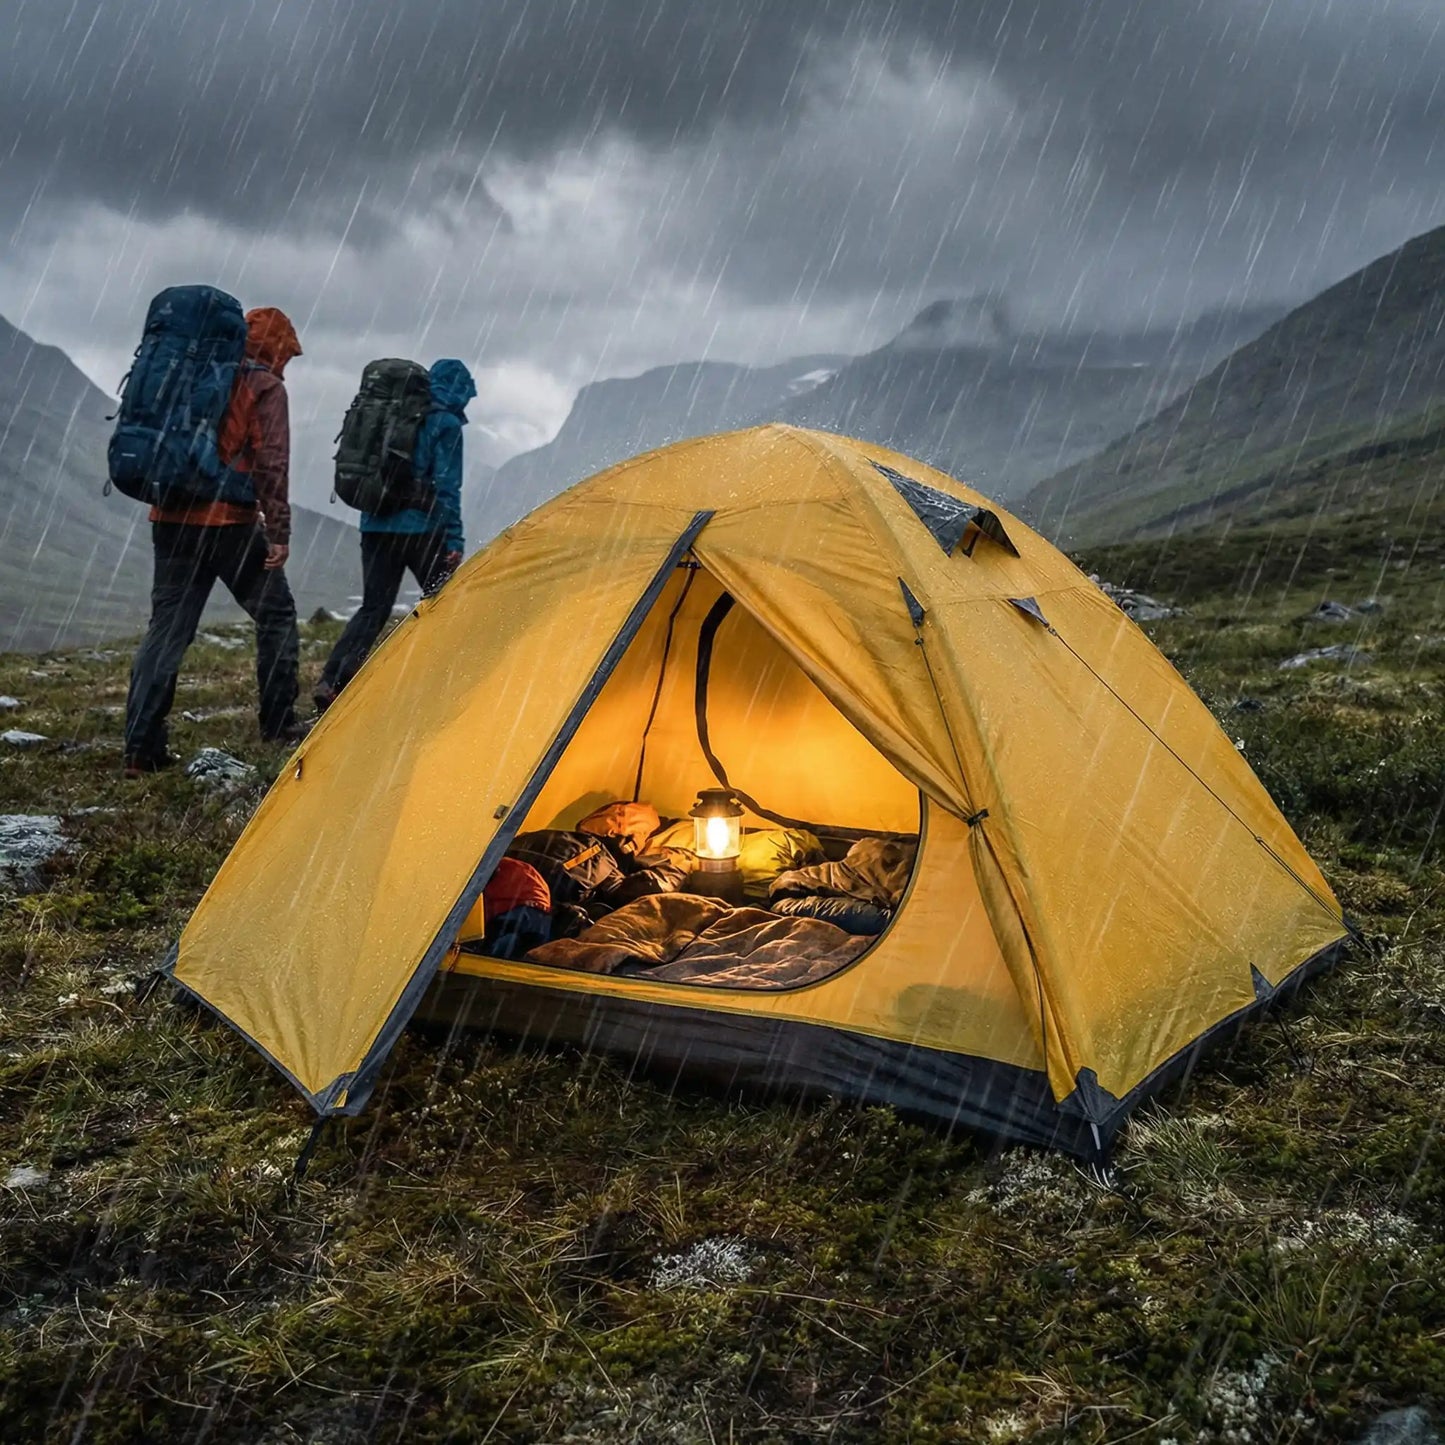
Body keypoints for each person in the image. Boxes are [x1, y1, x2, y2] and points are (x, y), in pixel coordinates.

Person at [123, 307, 305, 775]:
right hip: (230, 522)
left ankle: (142, 747)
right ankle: (279, 723)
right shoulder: (264, 386)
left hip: (170, 515)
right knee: (277, 615)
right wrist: (278, 531)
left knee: (168, 629)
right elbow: (271, 463)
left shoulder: (193, 370)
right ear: (278, 347)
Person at [314, 359, 476, 709]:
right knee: (444, 603)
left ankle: (332, 681)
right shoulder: (444, 424)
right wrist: (455, 540)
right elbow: (448, 487)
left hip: (375, 524)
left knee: (373, 608)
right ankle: (456, 681)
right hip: (421, 529)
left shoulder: (394, 412)